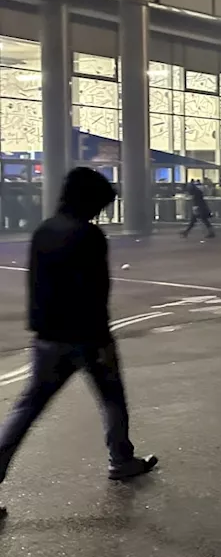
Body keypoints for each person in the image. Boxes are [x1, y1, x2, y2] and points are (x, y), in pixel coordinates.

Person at [0, 169, 158, 522]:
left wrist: (39, 328)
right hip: (86, 337)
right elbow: (94, 293)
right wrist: (101, 340)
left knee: (26, 410)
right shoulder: (89, 235)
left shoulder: (44, 231)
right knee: (112, 399)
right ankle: (121, 460)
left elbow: (38, 288)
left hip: (47, 338)